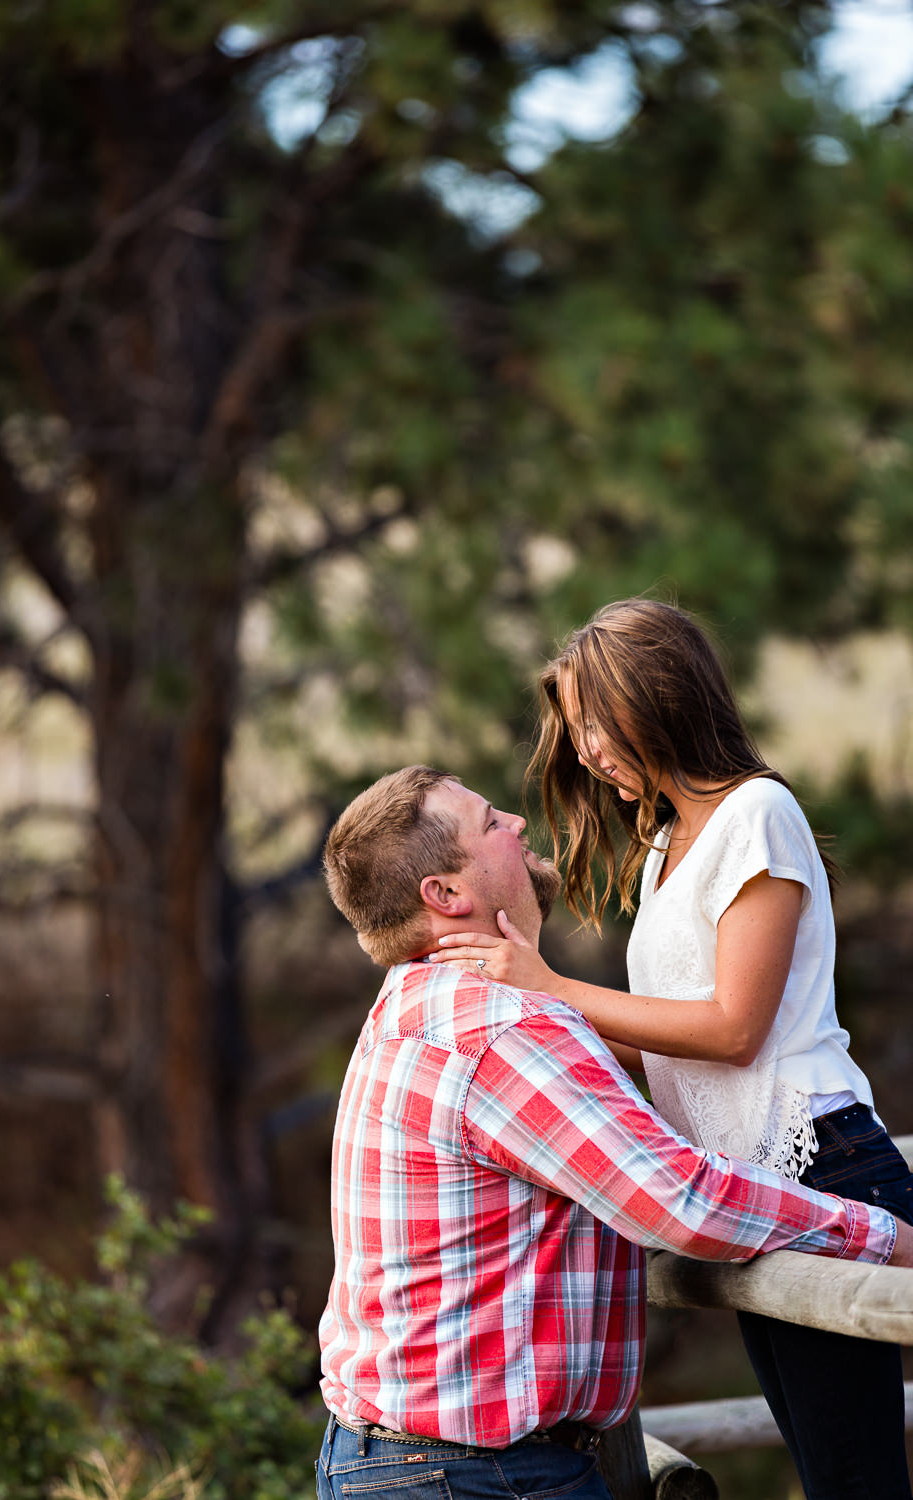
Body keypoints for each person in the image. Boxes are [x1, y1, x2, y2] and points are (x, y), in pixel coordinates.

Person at [318, 763, 913, 1500]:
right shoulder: (501, 1032)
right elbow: (680, 1200)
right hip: (478, 1477)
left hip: (415, 1464)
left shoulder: (410, 1007)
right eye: (490, 823)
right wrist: (884, 1237)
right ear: (446, 895)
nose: (517, 821)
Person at [428, 597, 913, 1500]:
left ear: (656, 698)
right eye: (572, 733)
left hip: (821, 1161)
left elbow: (735, 1029)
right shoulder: (662, 848)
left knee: (856, 1481)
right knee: (830, 1474)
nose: (582, 752)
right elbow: (666, 1054)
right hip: (751, 1188)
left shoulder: (758, 813)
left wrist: (556, 991)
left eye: (590, 725)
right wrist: (535, 1043)